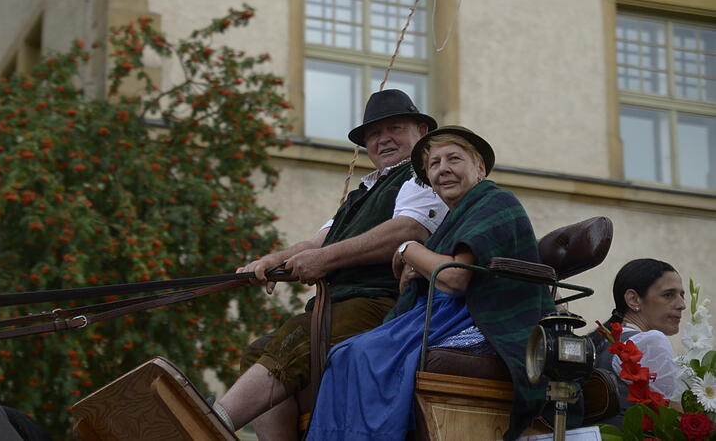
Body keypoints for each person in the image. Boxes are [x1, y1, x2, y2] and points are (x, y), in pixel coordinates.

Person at [214, 90, 448, 439]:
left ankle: (210, 423)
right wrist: (270, 261)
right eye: (372, 134)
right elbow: (316, 242)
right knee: (260, 349)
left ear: (422, 131)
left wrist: (322, 260)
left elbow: (409, 229)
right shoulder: (362, 193)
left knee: (297, 336)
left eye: (394, 128)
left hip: (388, 304)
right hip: (342, 304)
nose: (382, 139)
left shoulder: (425, 175)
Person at [305, 126, 556, 441]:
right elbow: (425, 284)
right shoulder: (453, 219)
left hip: (486, 319)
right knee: (344, 354)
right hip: (444, 316)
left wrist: (408, 248)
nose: (443, 170)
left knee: (362, 355)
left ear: (479, 168)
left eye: (454, 159)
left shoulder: (495, 201)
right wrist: (412, 273)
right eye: (434, 164)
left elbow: (453, 279)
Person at [590, 258, 686, 427]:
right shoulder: (652, 341)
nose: (681, 305)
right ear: (633, 299)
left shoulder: (602, 342)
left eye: (682, 295)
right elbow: (676, 420)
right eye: (668, 295)